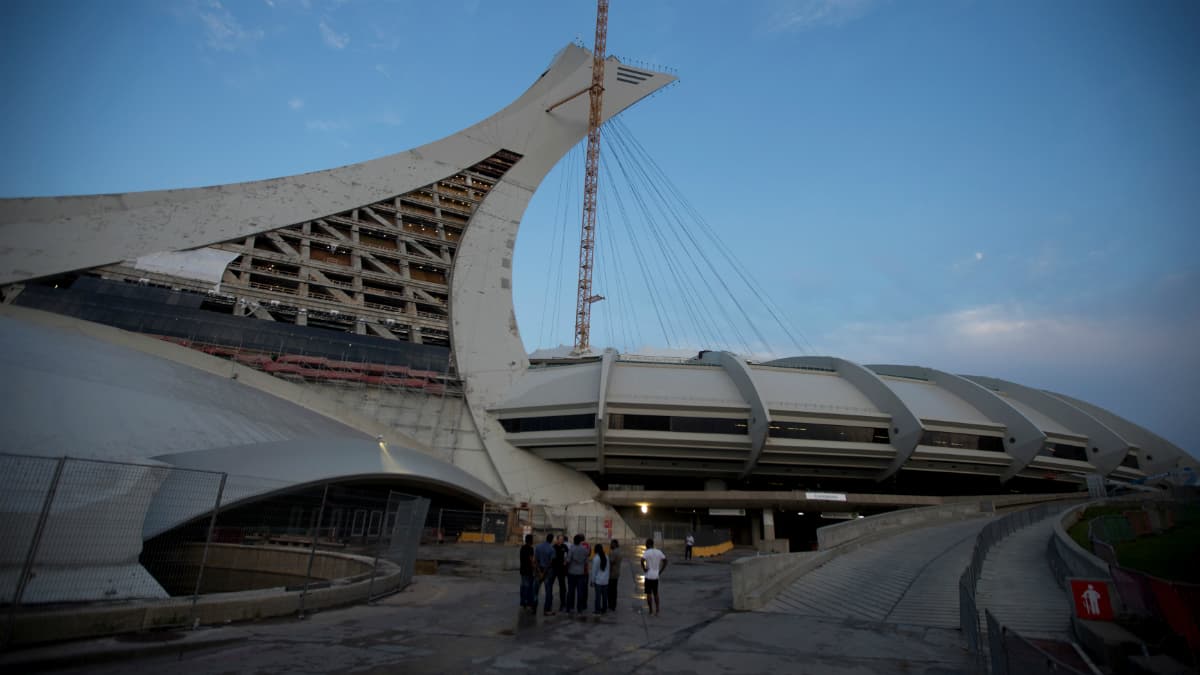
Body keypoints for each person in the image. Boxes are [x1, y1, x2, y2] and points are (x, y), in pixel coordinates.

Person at [641, 537, 668, 616]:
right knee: (656, 593)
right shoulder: (658, 552)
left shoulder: (647, 552)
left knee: (648, 594)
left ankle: (650, 610)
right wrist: (661, 571)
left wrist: (644, 569)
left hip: (648, 576)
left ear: (648, 544)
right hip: (656, 576)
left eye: (646, 543)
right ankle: (657, 609)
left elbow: (642, 560)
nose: (645, 545)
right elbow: (665, 561)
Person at [565, 533, 590, 614]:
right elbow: (586, 561)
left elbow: (568, 560)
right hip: (581, 573)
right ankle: (580, 608)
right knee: (580, 591)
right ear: (580, 541)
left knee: (571, 591)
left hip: (571, 572)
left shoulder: (571, 549)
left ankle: (570, 607)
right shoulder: (585, 550)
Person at [533, 533, 556, 615]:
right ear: (552, 539)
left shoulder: (538, 547)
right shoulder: (552, 549)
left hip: (538, 571)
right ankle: (547, 609)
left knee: (535, 591)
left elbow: (535, 560)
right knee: (548, 591)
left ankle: (534, 608)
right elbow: (551, 563)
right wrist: (544, 572)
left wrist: (539, 571)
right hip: (547, 572)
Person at [590, 543, 609, 615]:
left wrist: (592, 581)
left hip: (598, 580)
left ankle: (597, 609)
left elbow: (594, 571)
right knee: (604, 596)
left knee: (597, 596)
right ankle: (604, 609)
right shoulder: (606, 556)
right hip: (605, 580)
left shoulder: (596, 558)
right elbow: (608, 569)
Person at [519, 534, 536, 613]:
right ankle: (528, 603)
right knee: (528, 588)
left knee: (523, 586)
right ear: (531, 541)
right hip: (529, 571)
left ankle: (523, 603)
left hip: (523, 570)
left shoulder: (522, 548)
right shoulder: (531, 549)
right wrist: (535, 568)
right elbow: (531, 560)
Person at [552, 534, 569, 611]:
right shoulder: (554, 547)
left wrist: (566, 561)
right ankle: (549, 601)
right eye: (560, 539)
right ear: (557, 539)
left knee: (562, 586)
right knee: (550, 584)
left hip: (562, 569)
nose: (562, 540)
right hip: (554, 569)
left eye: (562, 539)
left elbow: (568, 555)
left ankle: (563, 603)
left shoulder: (565, 547)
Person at [607, 539, 623, 611]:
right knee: (614, 590)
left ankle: (611, 605)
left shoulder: (614, 552)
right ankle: (613, 605)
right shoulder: (619, 551)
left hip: (612, 573)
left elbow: (611, 562)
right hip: (616, 572)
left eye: (612, 544)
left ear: (615, 544)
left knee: (611, 590)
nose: (610, 545)